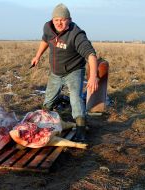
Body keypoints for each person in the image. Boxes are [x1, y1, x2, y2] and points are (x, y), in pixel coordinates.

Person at [31, 3, 98, 141]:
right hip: (56, 72)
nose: (59, 23)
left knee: (75, 99)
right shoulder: (48, 27)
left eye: (62, 19)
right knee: (48, 100)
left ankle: (80, 130)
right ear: (52, 20)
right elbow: (45, 40)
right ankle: (44, 123)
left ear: (69, 19)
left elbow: (91, 55)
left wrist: (93, 76)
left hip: (73, 71)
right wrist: (37, 56)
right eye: (56, 20)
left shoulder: (76, 35)